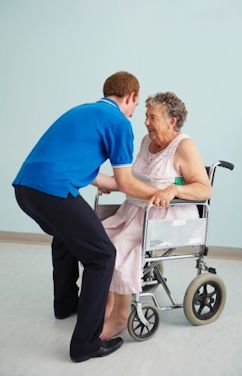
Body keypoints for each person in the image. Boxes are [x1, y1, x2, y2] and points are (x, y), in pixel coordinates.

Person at [12, 71, 165, 363]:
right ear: (130, 96)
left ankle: (66, 304)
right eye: (136, 105)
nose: (135, 114)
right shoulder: (119, 122)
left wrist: (120, 185)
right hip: (54, 190)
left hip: (26, 188)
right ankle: (86, 344)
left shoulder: (82, 111)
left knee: (66, 238)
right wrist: (158, 193)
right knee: (103, 255)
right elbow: (125, 182)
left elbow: (97, 176)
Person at [89, 91, 212, 340]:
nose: (146, 121)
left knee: (118, 248)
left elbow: (204, 188)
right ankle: (107, 301)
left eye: (152, 117)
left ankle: (120, 316)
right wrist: (111, 183)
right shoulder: (147, 141)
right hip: (135, 210)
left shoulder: (184, 146)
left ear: (172, 121)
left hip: (167, 217)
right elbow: (132, 178)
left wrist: (174, 188)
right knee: (96, 238)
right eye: (146, 115)